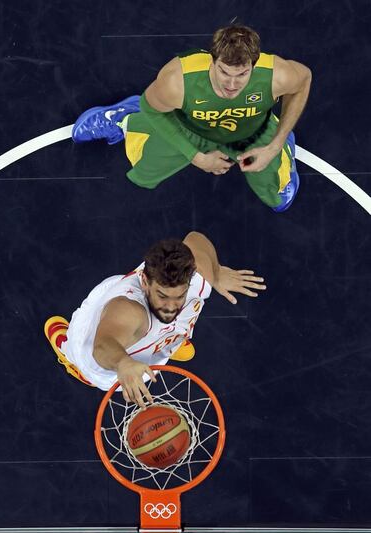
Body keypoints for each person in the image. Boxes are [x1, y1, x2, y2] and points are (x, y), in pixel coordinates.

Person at [72, 24, 311, 212]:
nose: (231, 84)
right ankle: (127, 117)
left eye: (241, 75)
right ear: (212, 60)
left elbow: (303, 82)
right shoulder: (179, 82)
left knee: (277, 197)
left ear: (254, 65)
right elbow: (152, 106)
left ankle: (282, 144)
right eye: (224, 72)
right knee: (145, 173)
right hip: (190, 128)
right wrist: (196, 157)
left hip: (252, 131)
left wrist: (274, 145)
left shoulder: (276, 75)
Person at [45, 231, 266, 407]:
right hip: (99, 346)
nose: (171, 307)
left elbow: (196, 238)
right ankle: (67, 350)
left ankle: (167, 341)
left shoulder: (199, 277)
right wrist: (123, 363)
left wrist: (216, 274)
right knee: (93, 370)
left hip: (142, 333)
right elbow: (102, 347)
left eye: (179, 296)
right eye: (162, 296)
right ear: (145, 281)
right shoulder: (128, 310)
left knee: (166, 325)